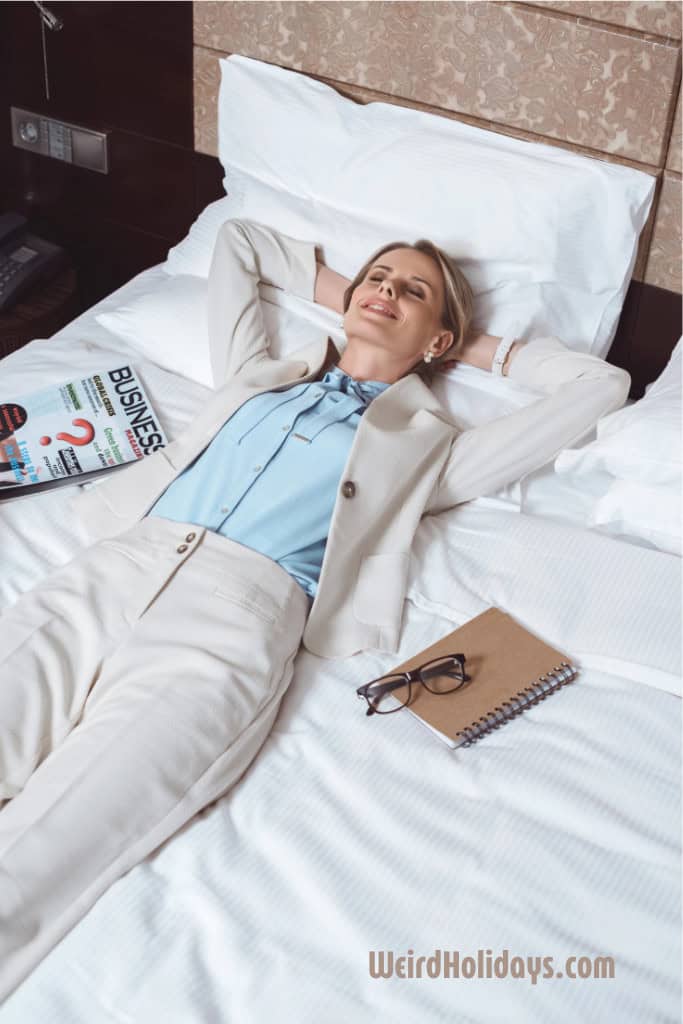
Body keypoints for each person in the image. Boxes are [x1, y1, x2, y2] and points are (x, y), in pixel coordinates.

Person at [0, 218, 631, 1001]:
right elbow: (240, 243)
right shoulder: (259, 373)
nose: (387, 292)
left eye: (414, 292)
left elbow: (600, 388)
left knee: (62, 838)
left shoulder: (430, 447)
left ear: (438, 337)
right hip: (117, 567)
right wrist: (360, 302)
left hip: (233, 624)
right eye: (379, 278)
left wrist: (466, 346)